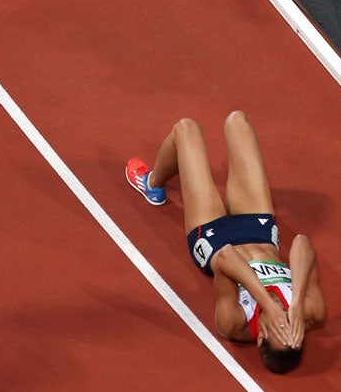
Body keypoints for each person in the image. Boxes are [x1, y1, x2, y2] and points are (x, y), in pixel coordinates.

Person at [124, 111, 326, 374]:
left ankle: (152, 183)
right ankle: (229, 190)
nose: (284, 319)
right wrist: (296, 303)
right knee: (237, 121)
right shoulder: (310, 312)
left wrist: (265, 302)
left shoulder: (234, 323)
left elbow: (226, 257)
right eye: (290, 325)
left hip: (212, 235)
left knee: (185, 130)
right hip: (260, 233)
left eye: (279, 326)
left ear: (261, 337)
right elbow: (302, 244)